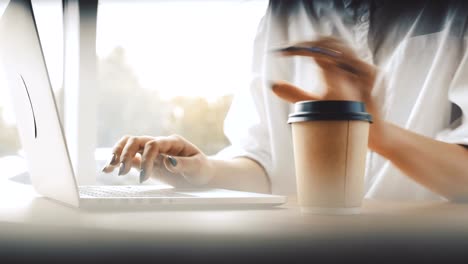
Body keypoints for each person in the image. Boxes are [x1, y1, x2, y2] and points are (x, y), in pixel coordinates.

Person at [102, 0, 468, 202]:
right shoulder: (285, 11)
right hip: (307, 244)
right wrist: (205, 171)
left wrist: (374, 132)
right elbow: (266, 162)